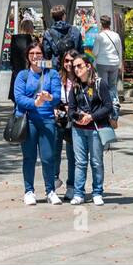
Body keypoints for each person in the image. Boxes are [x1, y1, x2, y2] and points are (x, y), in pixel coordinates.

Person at [13, 39, 63, 205]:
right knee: (29, 157)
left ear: (43, 55)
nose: (35, 56)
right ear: (28, 56)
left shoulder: (52, 73)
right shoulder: (23, 75)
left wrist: (49, 98)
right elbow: (18, 98)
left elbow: (56, 96)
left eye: (39, 53)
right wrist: (34, 103)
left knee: (49, 157)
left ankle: (51, 191)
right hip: (28, 120)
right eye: (32, 53)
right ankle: (29, 191)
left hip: (47, 119)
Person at [68, 54, 114, 205]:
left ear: (88, 66)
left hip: (95, 128)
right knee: (80, 162)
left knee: (96, 162)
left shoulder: (100, 84)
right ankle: (79, 193)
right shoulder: (75, 86)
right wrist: (77, 116)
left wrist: (92, 116)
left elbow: (108, 107)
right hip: (78, 130)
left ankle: (97, 192)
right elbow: (71, 109)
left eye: (79, 65)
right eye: (74, 67)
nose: (76, 69)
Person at [52, 48, 80, 196]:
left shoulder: (80, 79)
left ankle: (71, 186)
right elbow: (52, 96)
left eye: (71, 61)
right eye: (66, 61)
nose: (69, 64)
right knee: (55, 153)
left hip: (74, 119)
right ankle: (54, 180)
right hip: (59, 118)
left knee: (72, 155)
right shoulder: (57, 77)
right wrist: (55, 108)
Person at [93, 14, 123, 122]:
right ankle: (115, 104)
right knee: (112, 86)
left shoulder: (99, 36)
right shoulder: (116, 35)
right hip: (114, 63)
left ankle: (106, 108)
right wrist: (120, 64)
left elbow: (95, 52)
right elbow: (120, 50)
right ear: (110, 24)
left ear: (101, 24)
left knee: (103, 87)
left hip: (102, 63)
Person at [8, 17, 35, 100]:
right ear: (30, 28)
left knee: (17, 91)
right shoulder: (31, 40)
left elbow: (11, 56)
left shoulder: (14, 39)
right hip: (28, 70)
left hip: (16, 70)